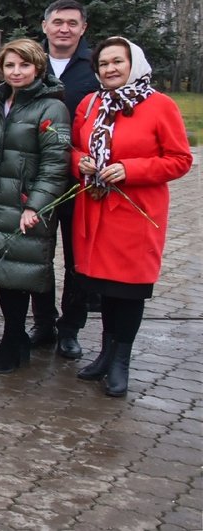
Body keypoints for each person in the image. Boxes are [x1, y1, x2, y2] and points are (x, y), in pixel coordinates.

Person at [70, 38, 192, 397]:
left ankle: (122, 360)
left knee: (129, 290)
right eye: (103, 63)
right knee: (105, 288)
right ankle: (105, 355)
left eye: (117, 61)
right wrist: (80, 162)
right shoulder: (91, 104)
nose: (109, 69)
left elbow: (180, 159)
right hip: (95, 210)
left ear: (133, 63)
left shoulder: (159, 106)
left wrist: (130, 169)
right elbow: (75, 147)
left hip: (135, 213)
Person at [0, 39, 71, 373]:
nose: (16, 72)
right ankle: (15, 338)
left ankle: (14, 341)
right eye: (10, 66)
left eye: (23, 65)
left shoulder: (51, 108)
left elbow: (56, 164)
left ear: (37, 67)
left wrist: (35, 206)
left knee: (19, 274)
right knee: (0, 270)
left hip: (24, 205)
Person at [30, 0, 102, 359]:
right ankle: (42, 321)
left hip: (81, 178)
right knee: (37, 252)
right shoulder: (30, 62)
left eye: (72, 23)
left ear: (83, 28)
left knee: (77, 256)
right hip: (37, 174)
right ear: (45, 26)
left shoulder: (95, 69)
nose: (64, 29)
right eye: (57, 22)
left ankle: (71, 327)